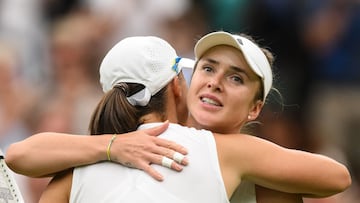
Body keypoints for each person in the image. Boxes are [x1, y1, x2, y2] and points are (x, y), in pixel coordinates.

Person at [6, 33, 351, 201]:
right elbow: (338, 177)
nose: (215, 82)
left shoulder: (84, 159)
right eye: (208, 68)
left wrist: (107, 147)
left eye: (235, 77)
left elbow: (18, 156)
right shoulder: (230, 150)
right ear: (177, 85)